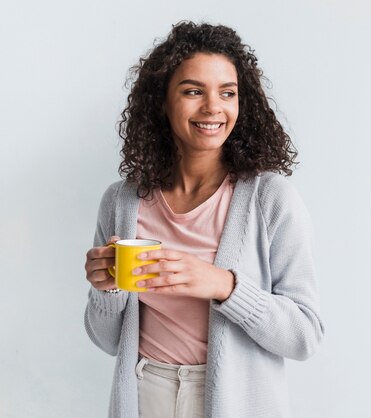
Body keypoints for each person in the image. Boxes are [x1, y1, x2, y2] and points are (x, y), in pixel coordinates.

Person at [83, 21, 323, 418]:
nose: (213, 107)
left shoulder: (270, 198)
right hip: (145, 392)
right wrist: (106, 290)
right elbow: (108, 341)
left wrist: (224, 286)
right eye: (193, 91)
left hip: (234, 400)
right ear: (162, 101)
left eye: (227, 93)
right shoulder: (123, 201)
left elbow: (304, 336)